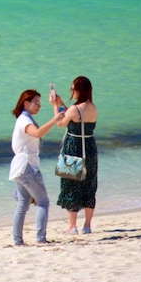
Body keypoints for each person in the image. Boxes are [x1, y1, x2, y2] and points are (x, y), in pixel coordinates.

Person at [9, 88, 64, 245]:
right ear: (26, 103)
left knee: (23, 204)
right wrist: (54, 120)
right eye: (36, 103)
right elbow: (38, 133)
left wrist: (55, 105)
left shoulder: (23, 118)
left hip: (20, 167)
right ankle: (40, 238)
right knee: (43, 202)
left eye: (40, 103)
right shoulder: (25, 120)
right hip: (26, 166)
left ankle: (17, 240)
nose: (39, 106)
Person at [53, 75, 99, 235]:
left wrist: (54, 105)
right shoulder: (92, 107)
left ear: (78, 90)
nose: (71, 91)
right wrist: (60, 103)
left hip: (74, 147)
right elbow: (73, 114)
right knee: (89, 185)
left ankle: (72, 226)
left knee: (72, 184)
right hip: (90, 147)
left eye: (73, 89)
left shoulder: (75, 109)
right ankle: (87, 225)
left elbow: (60, 122)